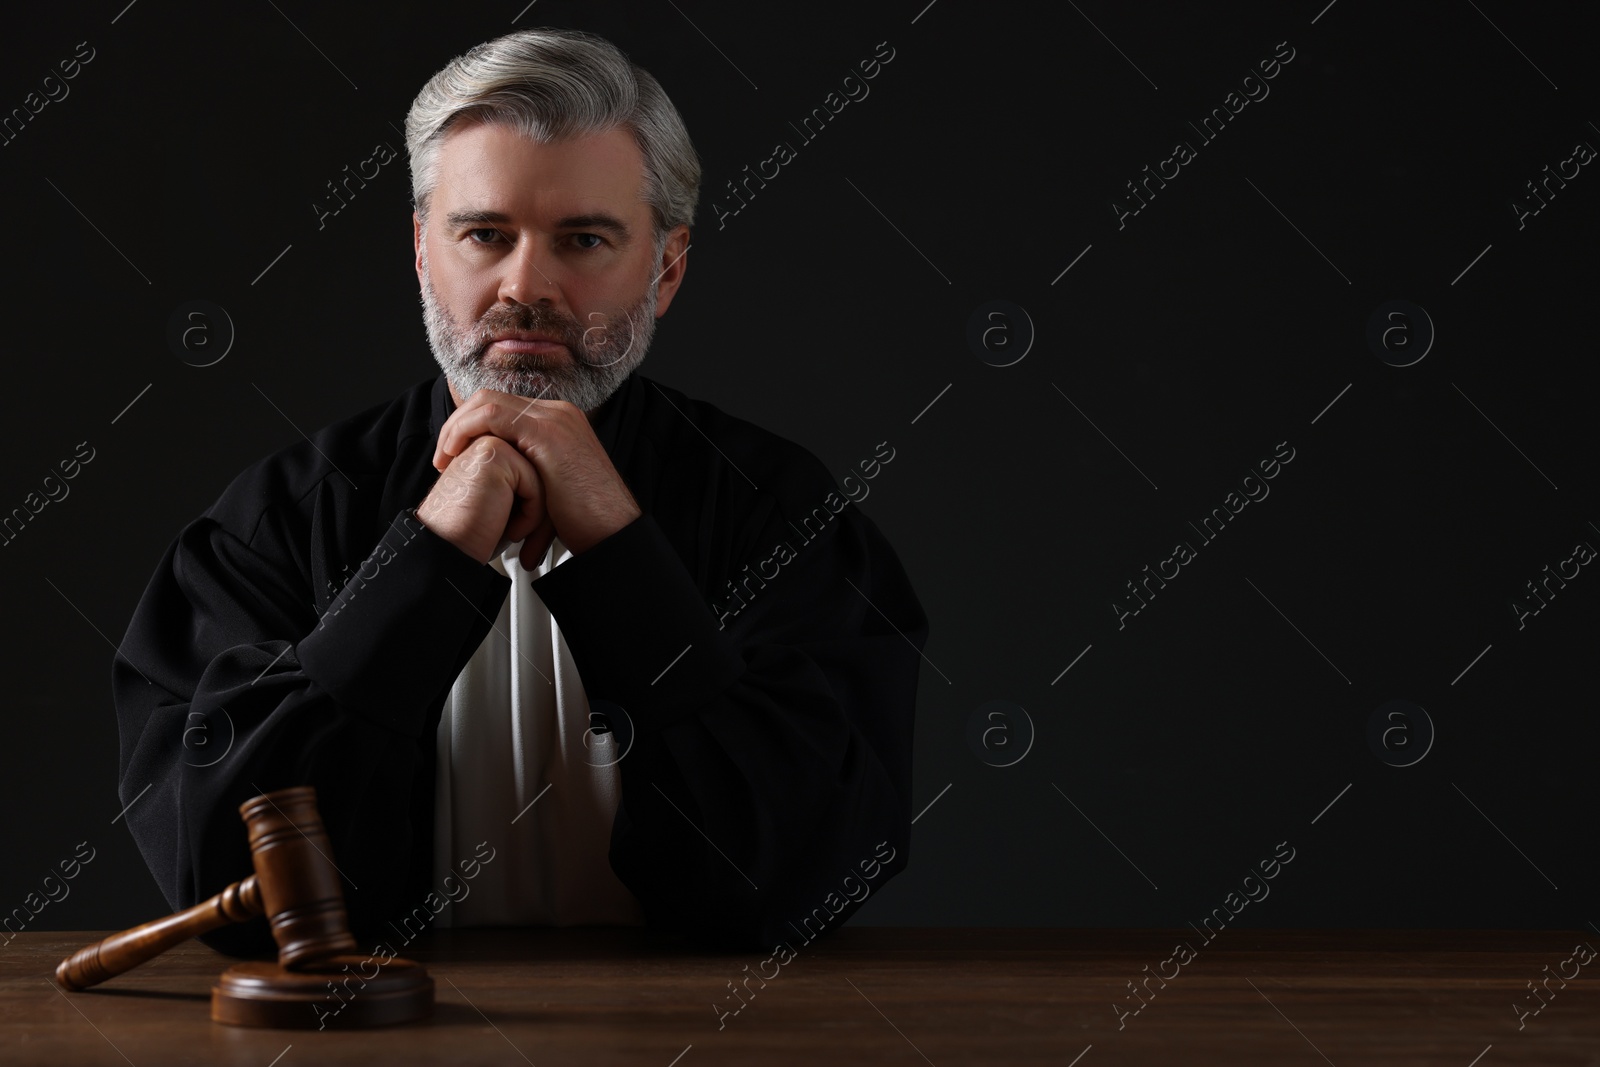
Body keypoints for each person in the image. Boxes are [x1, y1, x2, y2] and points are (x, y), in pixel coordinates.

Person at [112, 27, 927, 954]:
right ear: (423, 250)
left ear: (666, 267)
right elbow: (224, 880)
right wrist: (430, 560)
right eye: (485, 234)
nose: (526, 285)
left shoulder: (781, 512)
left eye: (583, 239)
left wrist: (619, 547)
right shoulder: (276, 522)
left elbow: (810, 874)